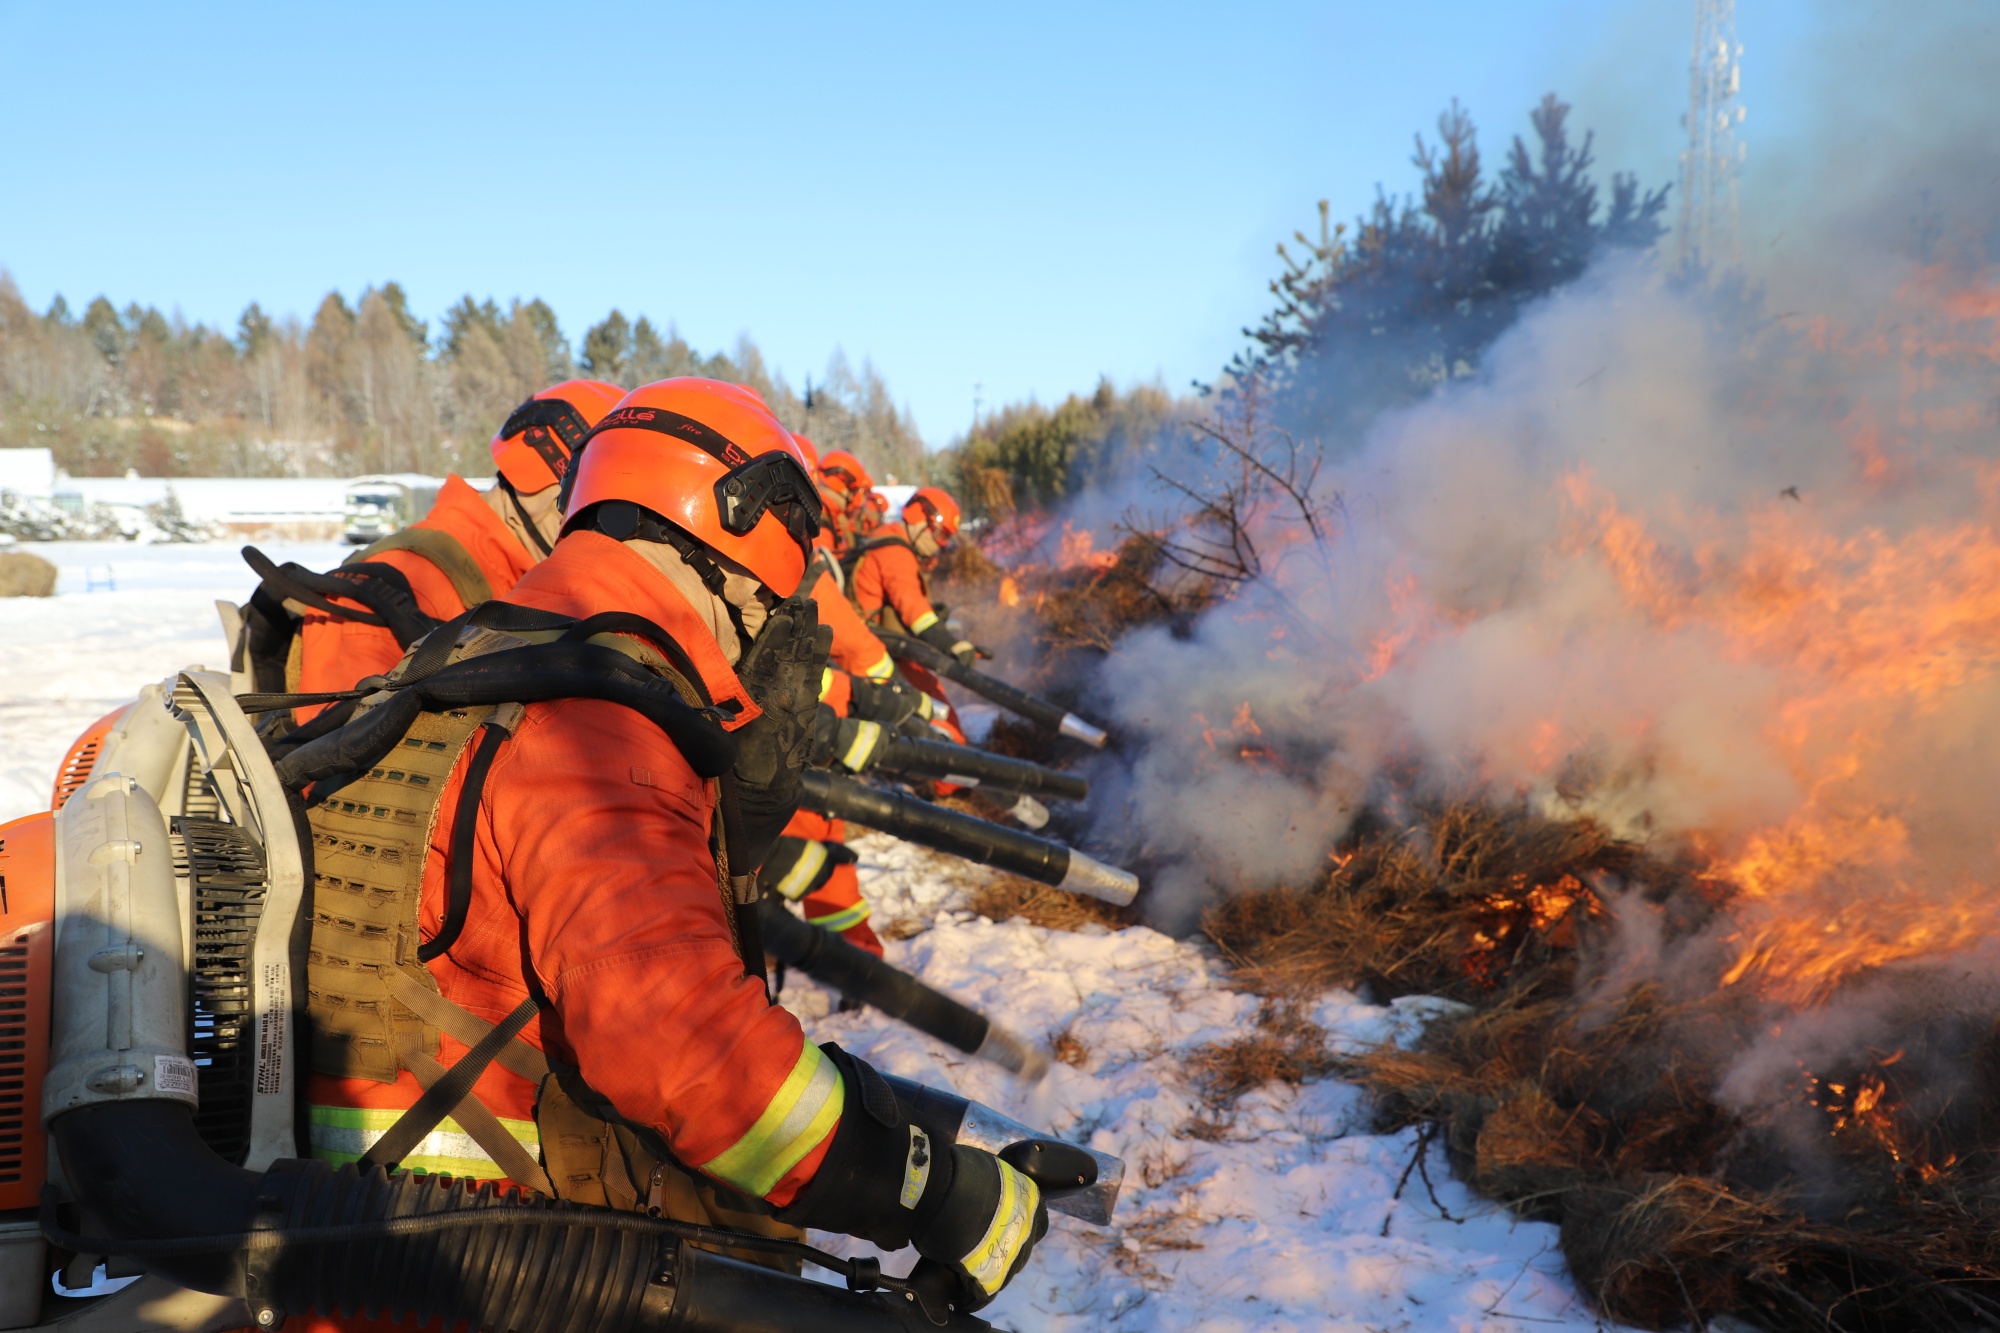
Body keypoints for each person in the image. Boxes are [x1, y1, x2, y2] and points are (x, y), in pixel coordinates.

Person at [299, 378, 1044, 1319]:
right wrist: (935, 1192)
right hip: (494, 1258)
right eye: (776, 599)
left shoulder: (483, 652)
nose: (773, 625)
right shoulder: (598, 724)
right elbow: (680, 1042)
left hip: (383, 1237)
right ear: (741, 533)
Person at [282, 379, 624, 714]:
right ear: (549, 488)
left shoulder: (529, 589)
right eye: (594, 505)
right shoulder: (401, 587)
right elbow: (332, 754)